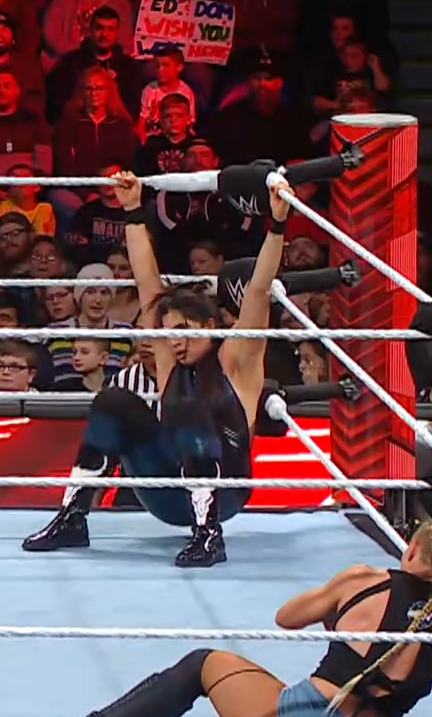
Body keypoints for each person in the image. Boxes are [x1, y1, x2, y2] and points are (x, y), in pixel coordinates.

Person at [45, 519, 432, 717]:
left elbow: (287, 617)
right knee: (270, 703)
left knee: (203, 664)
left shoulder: (367, 580)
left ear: (412, 550)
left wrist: (338, 609)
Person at [22, 172, 286, 568]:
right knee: (113, 400)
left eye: (186, 332)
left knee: (193, 406)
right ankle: (73, 517)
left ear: (210, 327)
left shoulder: (238, 358)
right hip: (166, 490)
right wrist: (132, 210)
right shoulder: (169, 356)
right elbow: (146, 280)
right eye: (170, 333)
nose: (176, 342)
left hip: (227, 492)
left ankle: (208, 535)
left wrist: (277, 224)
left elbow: (259, 290)